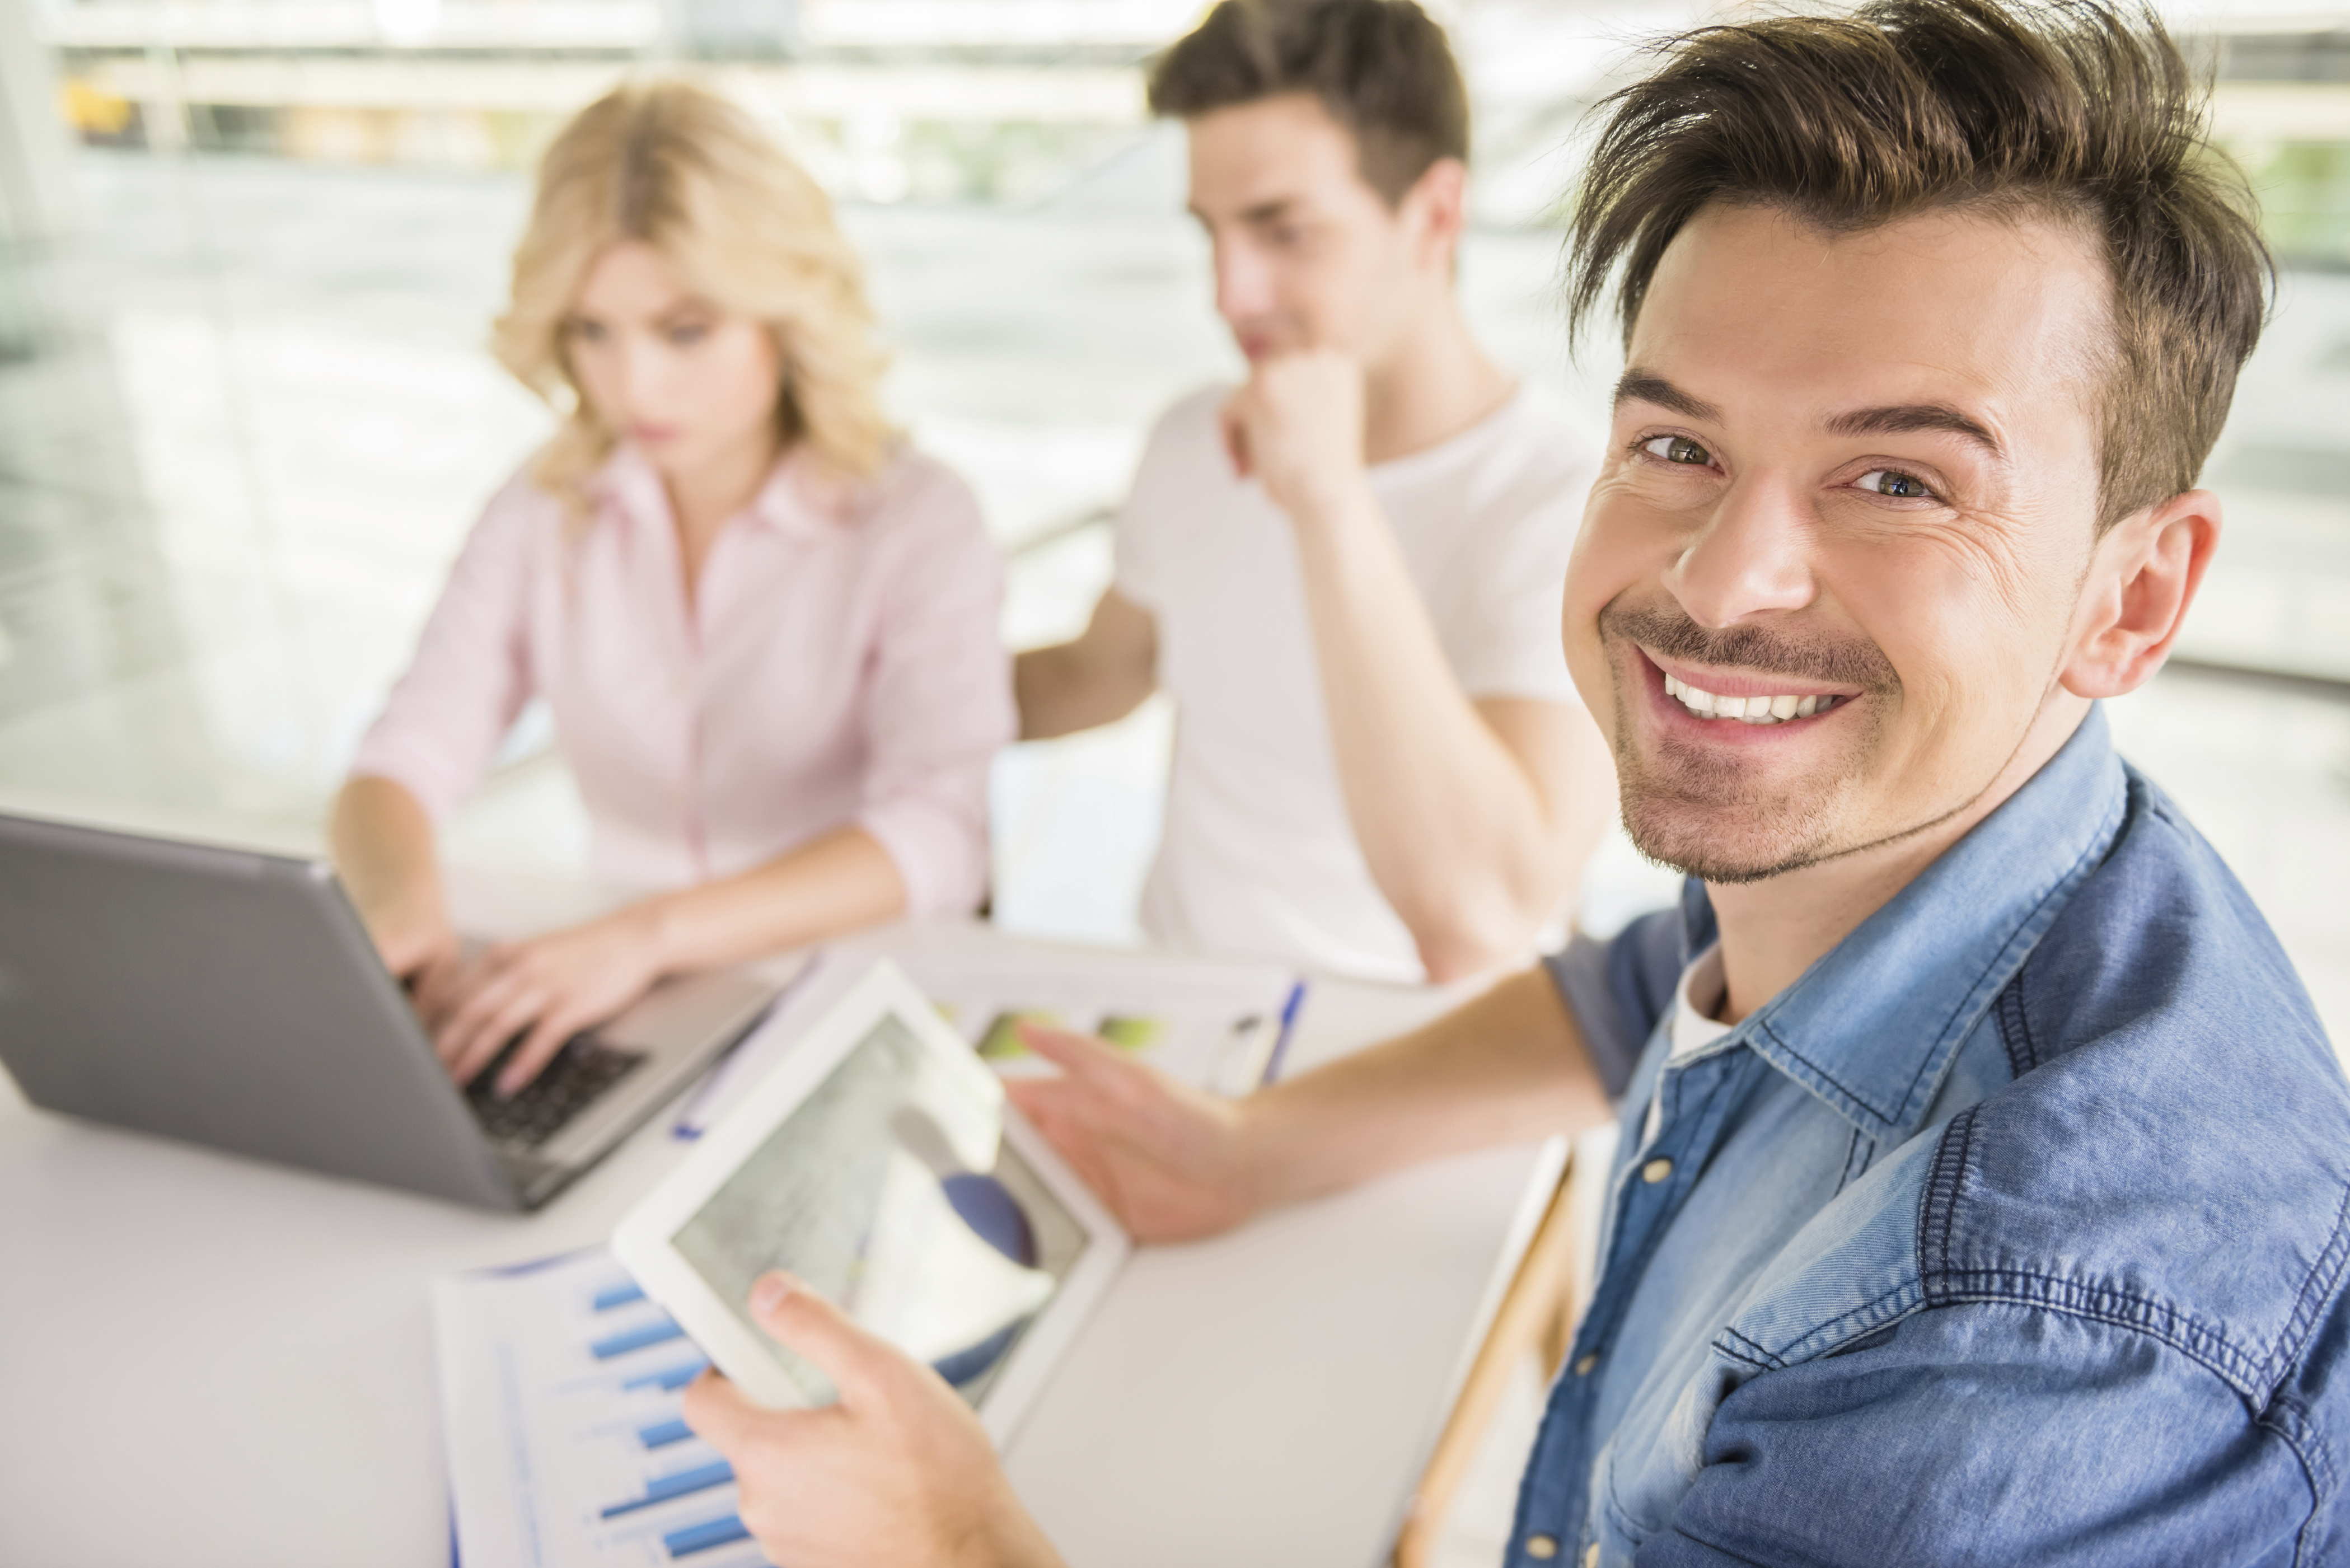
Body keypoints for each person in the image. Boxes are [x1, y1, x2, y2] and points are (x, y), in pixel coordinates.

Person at [678, 0, 2350, 1561]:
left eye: (1896, 478)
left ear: (2130, 598)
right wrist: (1256, 1147)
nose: (1718, 580)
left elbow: (1482, 901)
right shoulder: (1901, 877)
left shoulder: (2039, 1332)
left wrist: (958, 1541)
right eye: (1677, 445)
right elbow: (1638, 982)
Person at [333, 82, 1012, 1095]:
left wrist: (648, 934)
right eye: (594, 333)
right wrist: (400, 904)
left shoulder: (916, 517)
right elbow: (403, 755)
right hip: (630, 1010)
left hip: (855, 1004)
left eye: (683, 331)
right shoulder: (543, 508)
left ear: (783, 314)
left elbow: (937, 834)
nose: (634, 387)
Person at [1014, 0, 1616, 985]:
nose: (1228, 292)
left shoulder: (1562, 501)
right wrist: (851, 695)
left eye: (1282, 232)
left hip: (1412, 1068)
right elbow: (1099, 674)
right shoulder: (1193, 440)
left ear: (1433, 215)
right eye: (1211, 233)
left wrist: (1329, 498)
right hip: (1177, 1019)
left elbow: (1483, 912)